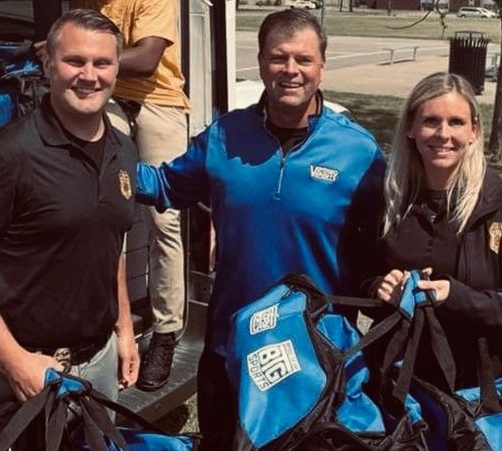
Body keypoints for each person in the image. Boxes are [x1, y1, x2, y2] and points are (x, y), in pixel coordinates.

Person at [137, 8, 385, 449]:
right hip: (229, 346)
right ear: (261, 61)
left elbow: (377, 256)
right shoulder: (224, 137)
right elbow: (163, 184)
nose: (291, 70)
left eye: (304, 59)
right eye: (278, 58)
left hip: (313, 355)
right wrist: (98, 165)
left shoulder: (359, 153)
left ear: (322, 66)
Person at [0, 9, 139, 445]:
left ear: (117, 69)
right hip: (15, 375)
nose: (89, 75)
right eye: (74, 61)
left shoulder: (123, 148)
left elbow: (110, 241)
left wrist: (123, 329)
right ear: (48, 66)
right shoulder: (8, 155)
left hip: (96, 364)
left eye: (102, 63)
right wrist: (13, 360)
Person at [365, 72, 502, 389]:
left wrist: (454, 296)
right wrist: (379, 288)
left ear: (474, 131)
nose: (443, 134)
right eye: (431, 121)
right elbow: (357, 275)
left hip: (483, 387)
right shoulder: (387, 200)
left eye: (456, 122)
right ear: (411, 127)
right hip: (402, 385)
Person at [68, 0, 191, 392]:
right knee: (106, 212)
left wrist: (81, 53)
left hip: (161, 102)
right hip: (112, 98)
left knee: (164, 220)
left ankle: (166, 331)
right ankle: (109, 324)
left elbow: (147, 58)